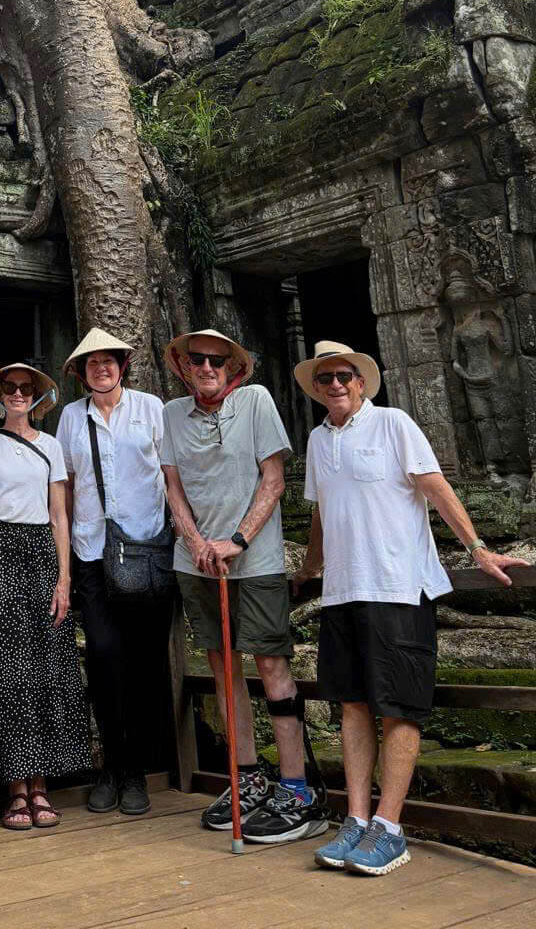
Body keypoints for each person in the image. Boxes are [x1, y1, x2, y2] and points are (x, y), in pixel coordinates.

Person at [293, 340, 527, 877]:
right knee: (352, 705)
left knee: (399, 707)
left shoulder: (394, 423)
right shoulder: (317, 440)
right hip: (343, 592)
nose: (335, 385)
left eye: (344, 376)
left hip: (397, 588)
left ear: (361, 382)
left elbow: (435, 487)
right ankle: (354, 820)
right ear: (316, 388)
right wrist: (310, 569)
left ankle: (389, 828)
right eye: (325, 378)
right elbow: (323, 515)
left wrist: (477, 550)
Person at [161, 327, 327, 845]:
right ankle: (248, 778)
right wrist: (197, 543)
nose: (207, 368)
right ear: (184, 367)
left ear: (231, 366)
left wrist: (235, 540)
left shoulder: (255, 401)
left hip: (252, 560)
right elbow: (173, 487)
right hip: (196, 562)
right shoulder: (170, 415)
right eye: (197, 360)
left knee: (271, 662)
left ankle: (298, 787)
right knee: (220, 662)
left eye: (216, 360)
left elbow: (273, 480)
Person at [0, 362, 90, 830]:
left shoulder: (50, 446)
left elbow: (59, 516)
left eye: (24, 388)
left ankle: (42, 785)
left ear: (35, 397)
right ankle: (14, 787)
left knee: (47, 666)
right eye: (9, 388)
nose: (16, 394)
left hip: (40, 555)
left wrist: (64, 579)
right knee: (6, 669)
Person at [55, 325, 172, 817]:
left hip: (146, 550)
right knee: (103, 657)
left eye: (110, 360)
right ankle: (110, 765)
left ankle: (137, 772)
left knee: (144, 661)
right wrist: (62, 567)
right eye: (91, 362)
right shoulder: (69, 417)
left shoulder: (151, 409)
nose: (102, 367)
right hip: (91, 552)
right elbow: (63, 485)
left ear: (123, 366)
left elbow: (171, 475)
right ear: (81, 373)